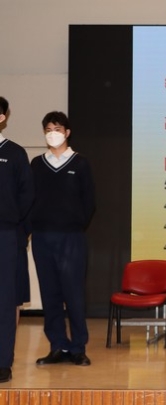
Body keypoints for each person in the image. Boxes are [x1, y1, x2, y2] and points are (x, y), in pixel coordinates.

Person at [30, 111, 96, 367]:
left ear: (67, 132)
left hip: (71, 238)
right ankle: (57, 345)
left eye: (57, 129)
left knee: (74, 294)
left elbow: (89, 202)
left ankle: (78, 347)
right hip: (42, 237)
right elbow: (30, 198)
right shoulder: (37, 164)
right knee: (50, 294)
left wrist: (74, 224)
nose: (52, 134)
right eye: (48, 130)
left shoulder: (80, 163)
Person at [0, 96, 35, 383]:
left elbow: (27, 196)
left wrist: (14, 224)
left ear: (2, 117)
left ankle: (3, 362)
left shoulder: (14, 153)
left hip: (5, 234)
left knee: (5, 300)